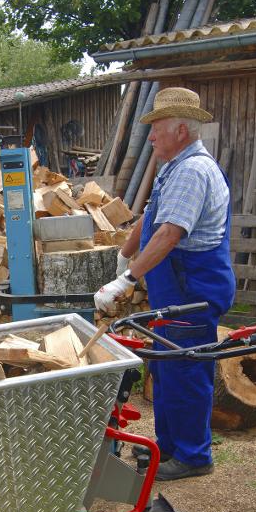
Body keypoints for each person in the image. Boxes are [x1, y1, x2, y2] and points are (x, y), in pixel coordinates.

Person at [95, 87, 236, 481]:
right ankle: (168, 450)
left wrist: (127, 279)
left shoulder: (192, 172)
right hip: (173, 289)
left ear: (180, 129)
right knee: (168, 369)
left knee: (187, 373)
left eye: (156, 129)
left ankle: (193, 456)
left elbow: (170, 234)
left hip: (193, 289)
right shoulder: (174, 167)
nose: (151, 137)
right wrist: (124, 253)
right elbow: (152, 217)